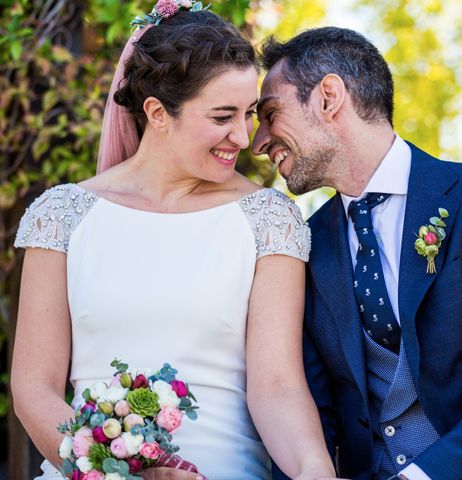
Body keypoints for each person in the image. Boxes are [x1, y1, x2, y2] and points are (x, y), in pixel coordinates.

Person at [10, 5, 337, 480]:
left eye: (249, 114)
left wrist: (314, 469)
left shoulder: (269, 219)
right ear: (158, 113)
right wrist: (116, 468)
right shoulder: (62, 216)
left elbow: (278, 386)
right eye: (223, 116)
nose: (243, 138)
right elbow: (33, 387)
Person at [252, 27, 462, 480]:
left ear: (329, 97)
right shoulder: (305, 244)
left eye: (271, 114)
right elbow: (313, 413)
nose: (259, 142)